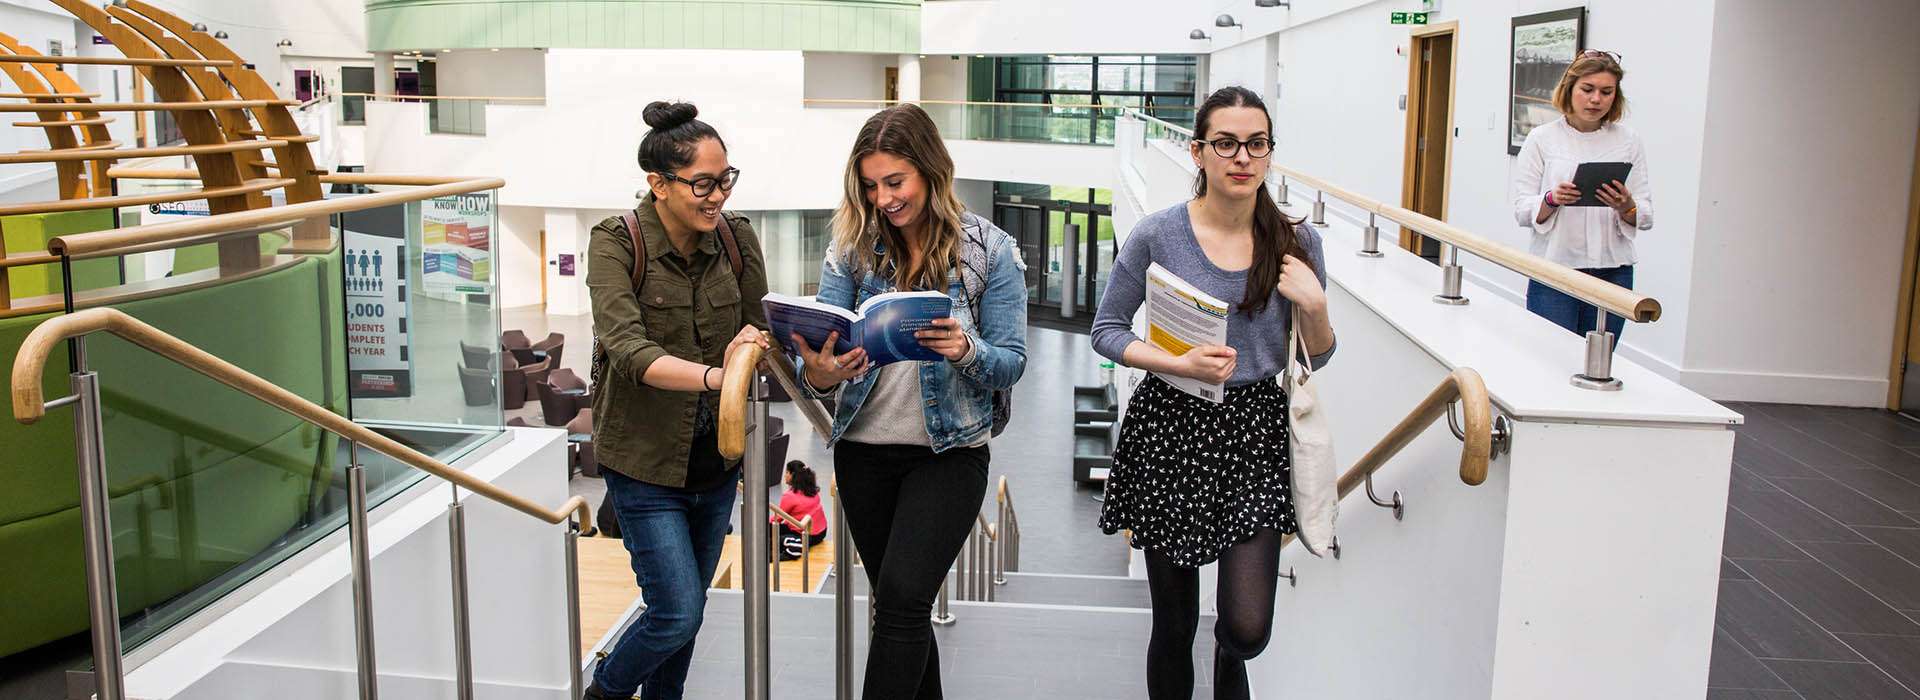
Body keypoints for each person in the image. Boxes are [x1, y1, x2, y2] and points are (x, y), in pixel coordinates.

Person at [1091, 86, 1337, 700]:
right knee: (1173, 625)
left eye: (1256, 144)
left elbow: (1320, 354)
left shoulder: (1298, 245)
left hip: (1255, 432)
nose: (1242, 157)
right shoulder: (1158, 234)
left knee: (1246, 628)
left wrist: (1316, 304)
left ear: (1270, 153)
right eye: (1225, 143)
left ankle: (1231, 663)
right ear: (1199, 152)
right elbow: (1107, 331)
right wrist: (1179, 361)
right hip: (1171, 425)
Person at [789, 103, 1027, 699]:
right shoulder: (852, 247)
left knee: (899, 601)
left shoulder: (990, 252)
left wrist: (964, 349)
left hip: (948, 454)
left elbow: (1012, 363)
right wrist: (819, 370)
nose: (883, 199)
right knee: (902, 609)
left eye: (895, 182)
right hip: (865, 453)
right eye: (871, 186)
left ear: (930, 171)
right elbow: (820, 348)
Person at [584, 100, 770, 700]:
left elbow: (757, 328)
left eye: (725, 179)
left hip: (715, 463)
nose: (717, 195)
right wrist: (720, 379)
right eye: (702, 184)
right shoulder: (615, 242)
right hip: (642, 463)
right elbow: (629, 351)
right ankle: (604, 690)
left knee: (683, 621)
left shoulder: (737, 239)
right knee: (676, 612)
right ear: (658, 184)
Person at [1512, 50, 1653, 339]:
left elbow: (1646, 213)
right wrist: (1552, 199)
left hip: (1613, 270)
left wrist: (1626, 205)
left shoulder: (1628, 141)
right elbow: (1522, 209)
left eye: (1606, 92)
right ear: (1569, 89)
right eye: (1587, 90)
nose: (1596, 99)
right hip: (1556, 267)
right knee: (1551, 356)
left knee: (1598, 362)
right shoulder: (1542, 139)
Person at [771, 460, 829, 559]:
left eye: (787, 472)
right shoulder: (812, 490)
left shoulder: (789, 496)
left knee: (770, 533)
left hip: (807, 535)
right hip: (821, 533)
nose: (785, 475)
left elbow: (777, 519)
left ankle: (793, 546)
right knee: (782, 529)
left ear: (792, 474)